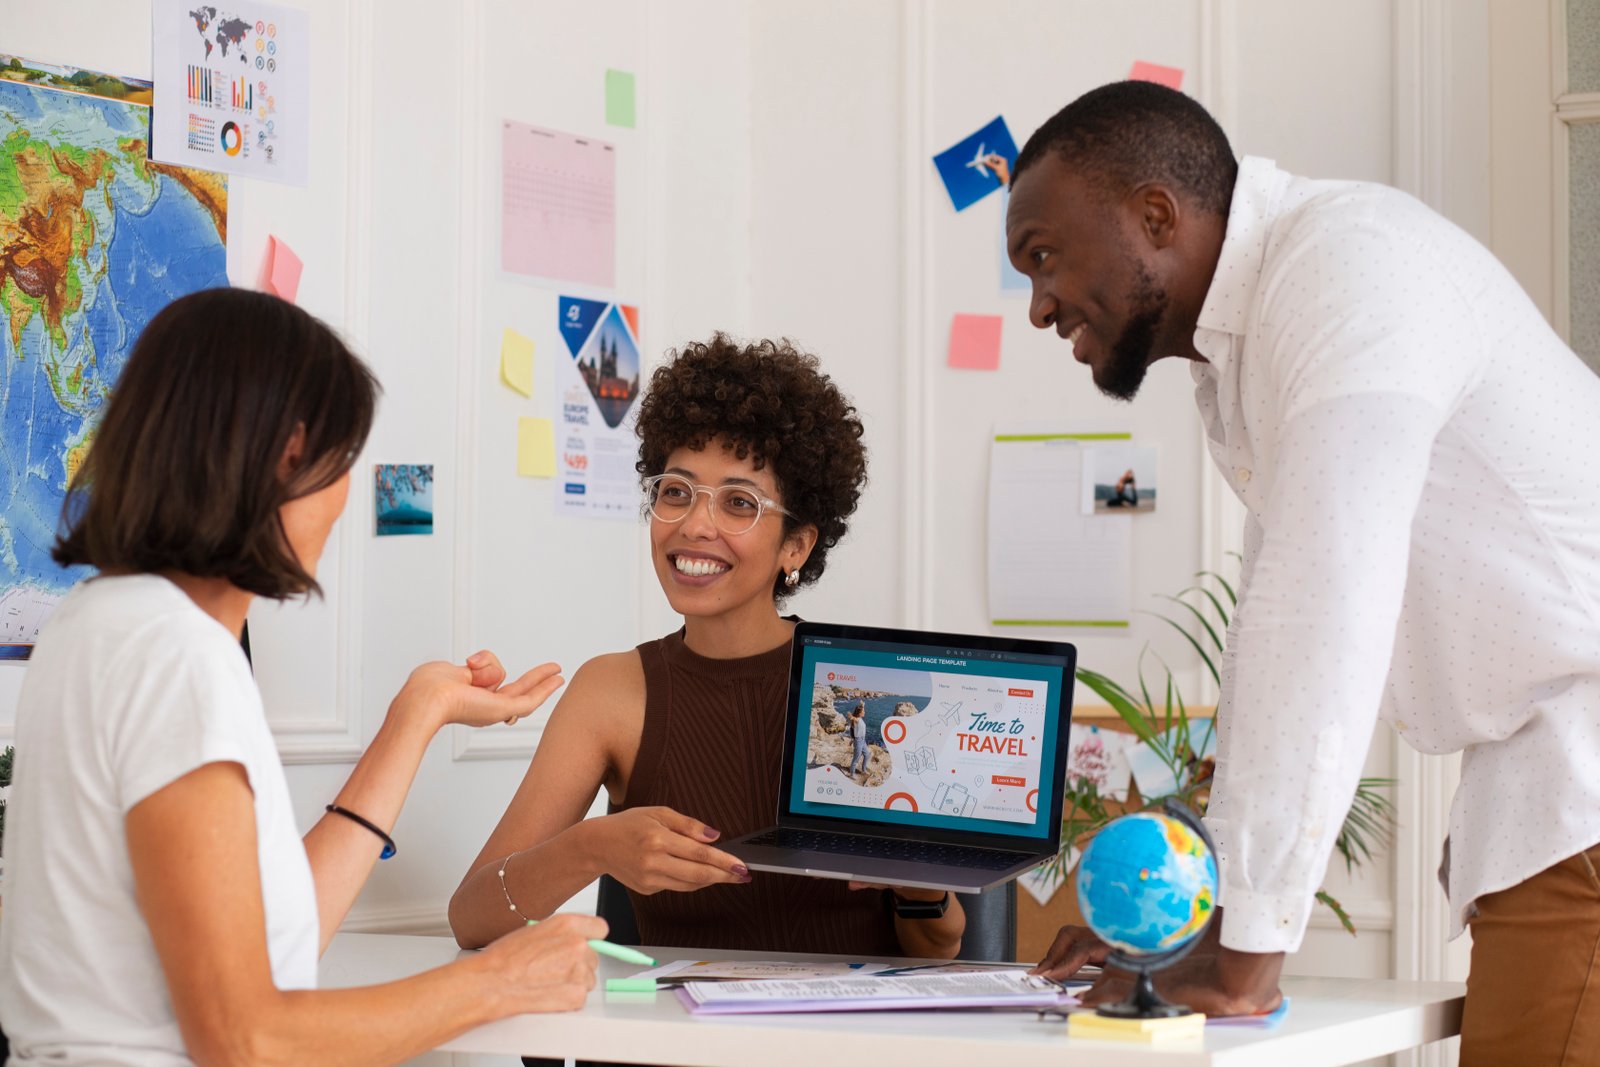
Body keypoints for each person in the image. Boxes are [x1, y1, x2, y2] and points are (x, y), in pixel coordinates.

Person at [1005, 80, 1600, 1064]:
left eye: (1043, 256)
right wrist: (1198, 923)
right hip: (1545, 789)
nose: (1035, 304)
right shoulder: (1255, 343)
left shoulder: (1346, 271)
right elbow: (1266, 644)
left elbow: (1324, 617)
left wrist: (1242, 963)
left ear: (1154, 214)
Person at [0, 289, 605, 1066]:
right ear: (289, 452)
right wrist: (498, 981)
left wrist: (416, 716)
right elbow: (246, 1036)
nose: (346, 496)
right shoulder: (172, 653)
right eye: (342, 462)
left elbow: (279, 944)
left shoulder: (99, 620)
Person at [450, 334, 966, 963]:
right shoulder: (612, 692)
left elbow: (937, 949)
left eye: (740, 502)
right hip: (674, 1047)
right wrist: (593, 847)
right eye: (676, 491)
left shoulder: (864, 686)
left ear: (796, 548)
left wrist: (921, 888)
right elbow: (473, 919)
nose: (695, 524)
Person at [849, 703, 870, 777]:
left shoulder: (860, 718)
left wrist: (863, 705)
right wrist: (851, 717)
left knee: (867, 754)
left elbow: (858, 712)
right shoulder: (857, 720)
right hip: (858, 741)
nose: (864, 712)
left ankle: (863, 770)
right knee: (856, 758)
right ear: (859, 713)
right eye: (863, 712)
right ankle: (852, 774)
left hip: (863, 740)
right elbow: (853, 718)